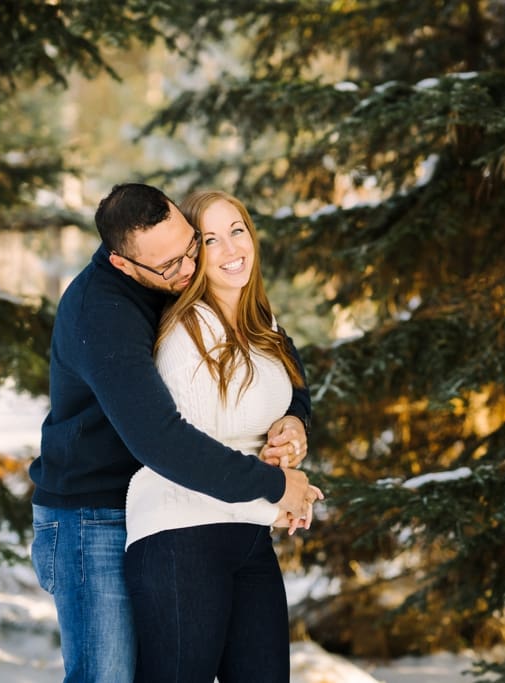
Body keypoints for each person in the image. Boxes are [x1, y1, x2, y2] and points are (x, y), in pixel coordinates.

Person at [28, 183, 314, 683]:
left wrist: (296, 419)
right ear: (124, 264)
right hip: (89, 516)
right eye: (168, 266)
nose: (188, 269)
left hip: (164, 501)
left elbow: (277, 358)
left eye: (190, 249)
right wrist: (274, 487)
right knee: (108, 676)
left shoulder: (187, 273)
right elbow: (160, 438)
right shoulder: (103, 312)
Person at [124, 190, 325, 683]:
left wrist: (294, 428)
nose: (231, 248)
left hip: (247, 535)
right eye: (210, 239)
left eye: (237, 230)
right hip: (180, 538)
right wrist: (282, 497)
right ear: (192, 254)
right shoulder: (185, 335)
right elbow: (190, 458)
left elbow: (293, 396)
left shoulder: (262, 327)